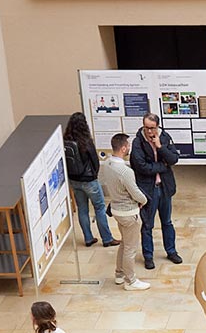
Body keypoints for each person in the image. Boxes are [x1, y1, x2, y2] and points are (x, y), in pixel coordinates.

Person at [130, 112, 181, 269]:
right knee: (147, 225)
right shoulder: (138, 142)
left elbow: (174, 159)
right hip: (148, 189)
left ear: (157, 127)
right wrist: (162, 166)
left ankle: (171, 251)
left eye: (152, 128)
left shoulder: (164, 137)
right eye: (146, 128)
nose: (150, 132)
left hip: (164, 187)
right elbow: (140, 166)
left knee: (167, 221)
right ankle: (148, 256)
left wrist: (160, 147)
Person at [99, 133, 149, 289]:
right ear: (122, 148)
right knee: (130, 248)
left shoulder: (107, 164)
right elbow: (135, 193)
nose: (129, 148)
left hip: (116, 210)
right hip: (129, 213)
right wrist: (145, 200)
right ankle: (130, 280)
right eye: (127, 145)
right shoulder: (125, 171)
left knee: (124, 243)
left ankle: (119, 273)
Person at [63, 111, 114, 248]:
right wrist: (94, 175)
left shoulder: (66, 141)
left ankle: (88, 238)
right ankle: (107, 238)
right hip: (89, 180)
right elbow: (95, 161)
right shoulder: (86, 141)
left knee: (82, 209)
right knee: (99, 208)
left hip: (74, 180)